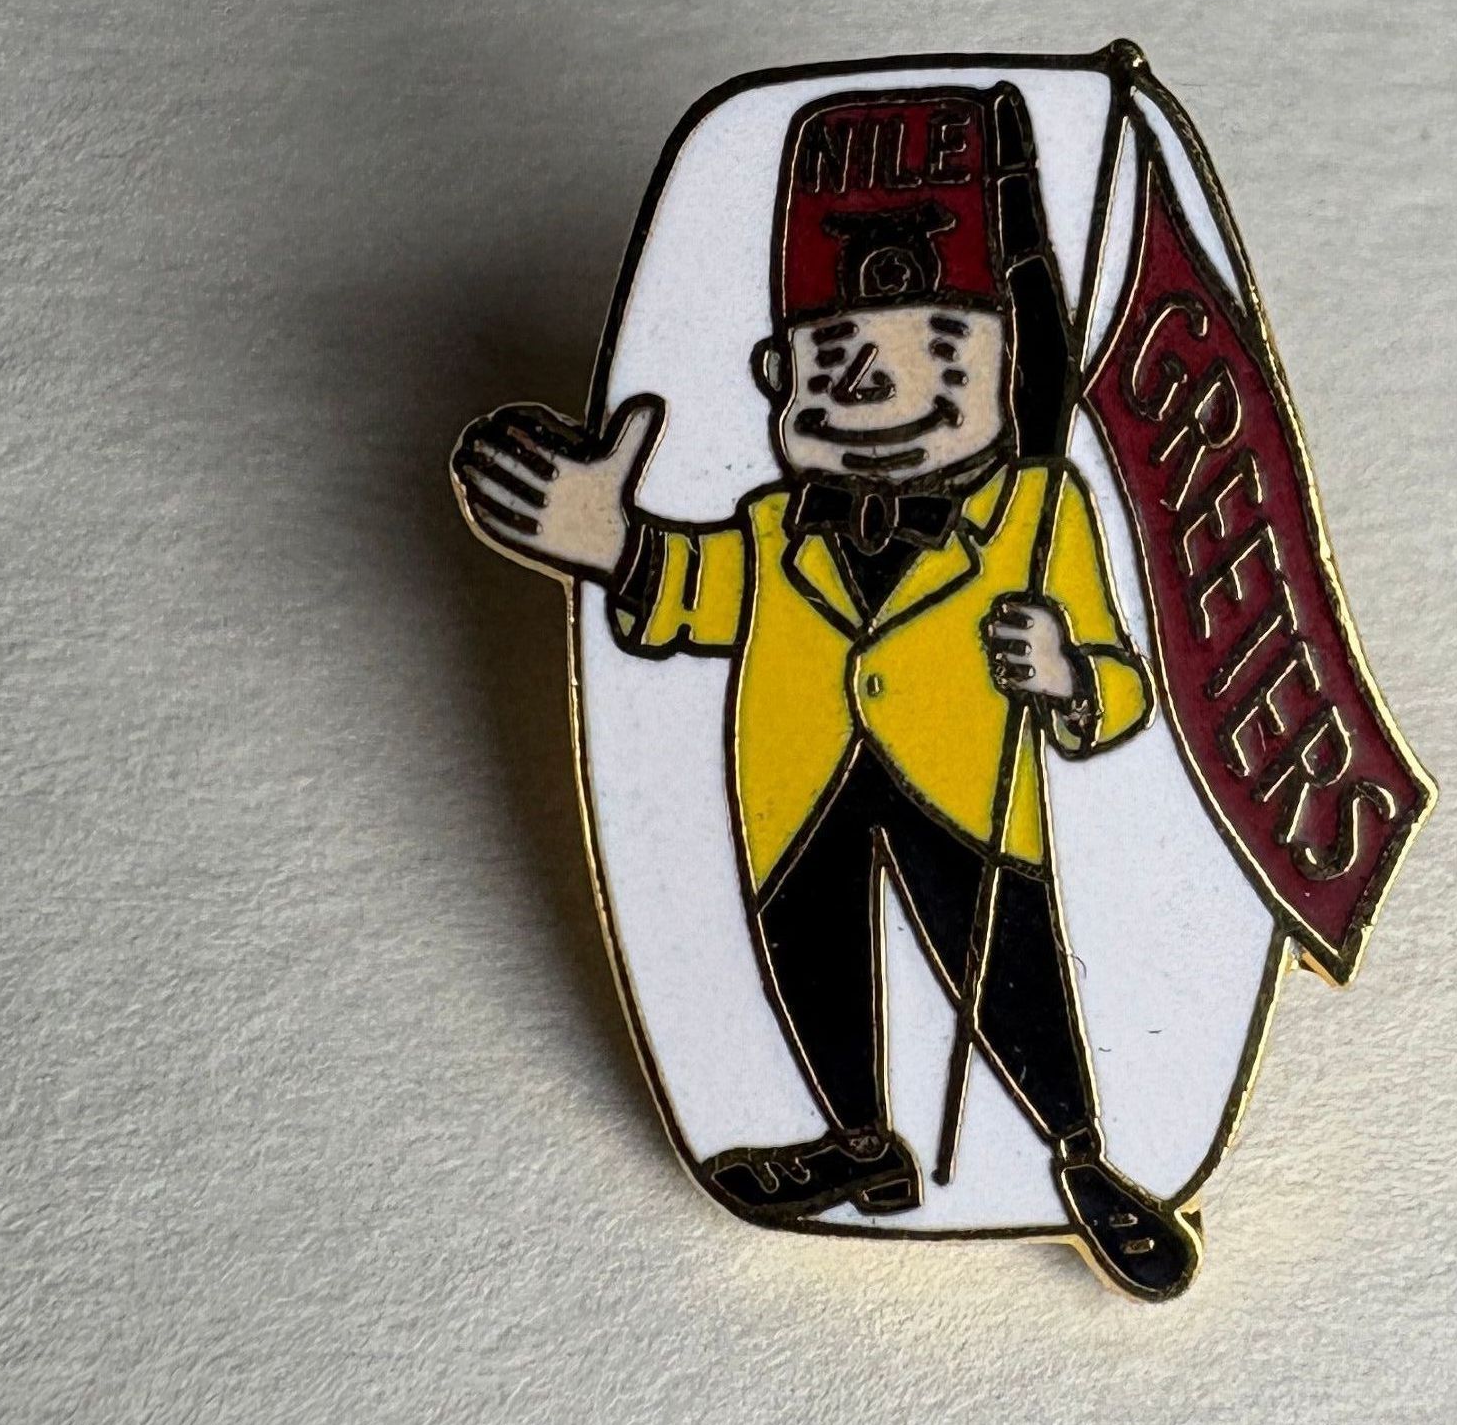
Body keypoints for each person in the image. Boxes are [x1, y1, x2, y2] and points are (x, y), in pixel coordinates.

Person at [453, 86, 1200, 1298]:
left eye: (936, 354)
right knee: (811, 959)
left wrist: (1066, 674)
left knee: (1006, 975)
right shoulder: (767, 527)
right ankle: (860, 1143)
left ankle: (1083, 1159)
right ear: (776, 373)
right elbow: (691, 590)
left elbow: (1120, 687)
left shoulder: (1035, 512)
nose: (880, 390)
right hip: (797, 784)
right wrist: (612, 544)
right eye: (838, 360)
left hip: (964, 791)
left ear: (1006, 361)